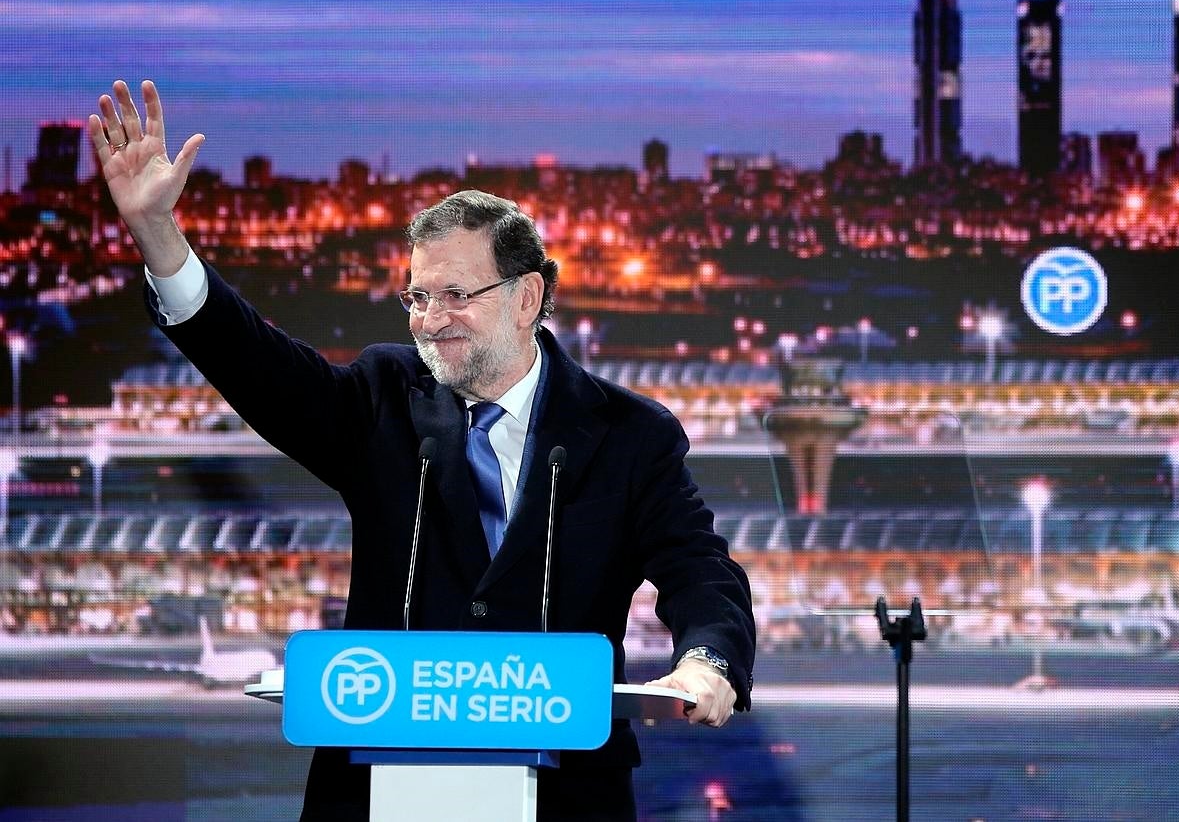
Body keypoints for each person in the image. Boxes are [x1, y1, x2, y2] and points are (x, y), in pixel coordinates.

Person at [88, 80, 756, 821]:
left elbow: (701, 570)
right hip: (377, 786)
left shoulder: (631, 435)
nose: (432, 320)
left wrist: (706, 660)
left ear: (527, 298)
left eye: (456, 296)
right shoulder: (382, 398)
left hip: (562, 793)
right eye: (417, 297)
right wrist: (157, 234)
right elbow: (259, 366)